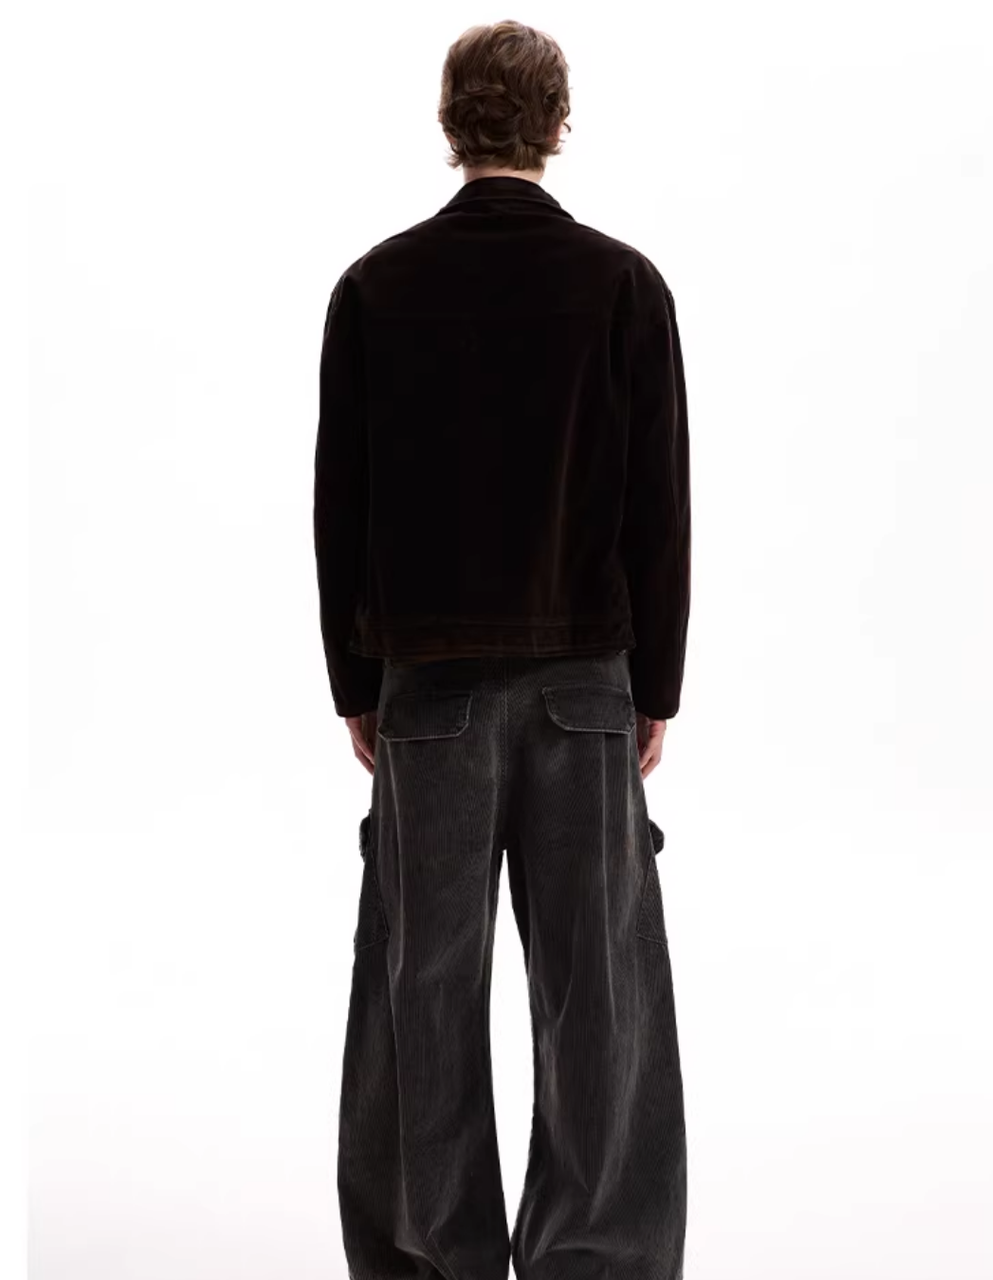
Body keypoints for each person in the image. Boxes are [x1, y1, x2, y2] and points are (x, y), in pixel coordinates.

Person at [313, 19, 691, 1280]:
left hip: (426, 690)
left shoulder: (375, 287)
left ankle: (435, 1257)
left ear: (449, 123)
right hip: (588, 684)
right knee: (599, 993)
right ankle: (597, 1256)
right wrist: (657, 684)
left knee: (420, 985)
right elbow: (658, 506)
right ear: (558, 124)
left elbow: (341, 504)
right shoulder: (624, 285)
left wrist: (355, 684)